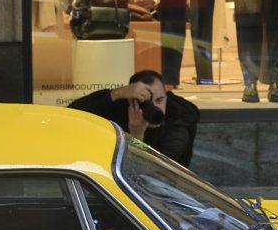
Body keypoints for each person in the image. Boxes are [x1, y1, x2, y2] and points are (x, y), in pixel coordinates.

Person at [68, 69, 199, 166]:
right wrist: (115, 93)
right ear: (132, 100)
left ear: (167, 97)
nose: (156, 108)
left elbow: (144, 174)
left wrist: (136, 137)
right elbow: (70, 115)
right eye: (146, 102)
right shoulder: (123, 107)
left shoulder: (177, 129)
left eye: (160, 100)